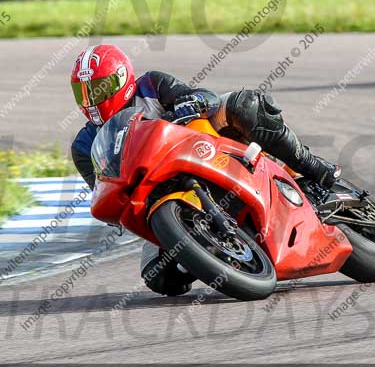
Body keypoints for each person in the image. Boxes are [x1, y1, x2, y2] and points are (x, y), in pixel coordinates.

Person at [69, 44, 340, 296]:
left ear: (122, 79)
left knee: (245, 105)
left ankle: (312, 166)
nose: (92, 99)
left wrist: (192, 103)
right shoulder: (83, 145)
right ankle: (208, 250)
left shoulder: (151, 85)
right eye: (84, 92)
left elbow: (203, 96)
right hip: (154, 195)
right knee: (158, 277)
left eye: (100, 88)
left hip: (204, 151)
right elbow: (102, 188)